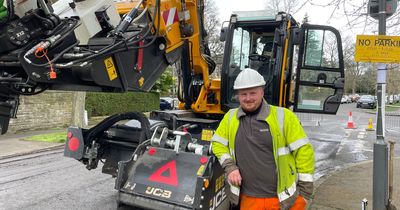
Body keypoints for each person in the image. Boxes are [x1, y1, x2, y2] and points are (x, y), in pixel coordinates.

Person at [211, 68, 314, 210]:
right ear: (238, 96)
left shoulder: (284, 116)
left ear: (262, 92)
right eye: (243, 94)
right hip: (248, 199)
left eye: (253, 93)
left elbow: (304, 152)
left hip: (282, 199)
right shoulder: (230, 117)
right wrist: (230, 167)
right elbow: (217, 143)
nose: (248, 98)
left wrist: (305, 193)